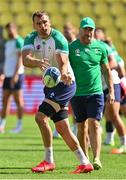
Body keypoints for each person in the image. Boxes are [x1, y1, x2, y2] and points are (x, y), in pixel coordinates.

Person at [22, 11, 94, 174]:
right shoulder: (30, 38)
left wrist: (64, 72)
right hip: (51, 86)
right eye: (39, 24)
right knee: (62, 128)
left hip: (65, 83)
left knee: (40, 118)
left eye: (45, 22)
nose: (43, 26)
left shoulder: (59, 38)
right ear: (34, 25)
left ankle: (48, 161)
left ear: (50, 22)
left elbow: (62, 61)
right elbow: (25, 60)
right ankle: (85, 162)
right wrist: (37, 61)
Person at [69, 17, 115, 170]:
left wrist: (112, 92)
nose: (88, 32)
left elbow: (106, 70)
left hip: (96, 92)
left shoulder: (101, 47)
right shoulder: (71, 47)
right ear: (80, 30)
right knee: (81, 126)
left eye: (91, 29)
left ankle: (97, 158)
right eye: (86, 29)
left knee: (94, 124)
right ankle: (85, 159)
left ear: (94, 31)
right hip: (77, 93)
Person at [95, 28, 126, 154]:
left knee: (113, 114)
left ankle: (124, 143)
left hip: (113, 83)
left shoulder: (104, 46)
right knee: (97, 117)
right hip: (98, 86)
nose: (93, 34)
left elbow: (114, 62)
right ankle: (101, 140)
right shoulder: (85, 47)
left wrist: (99, 66)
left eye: (97, 32)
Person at [53, 22, 78, 138]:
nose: (65, 32)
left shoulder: (77, 44)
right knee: (63, 103)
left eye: (68, 29)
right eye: (64, 30)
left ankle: (76, 126)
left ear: (73, 30)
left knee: (75, 104)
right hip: (65, 77)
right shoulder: (64, 44)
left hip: (76, 78)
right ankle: (60, 127)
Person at [0, 22, 24, 134]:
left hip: (16, 75)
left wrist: (15, 75)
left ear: (14, 29)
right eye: (7, 30)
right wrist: (4, 73)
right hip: (7, 75)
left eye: (10, 29)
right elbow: (7, 60)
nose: (9, 31)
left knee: (18, 100)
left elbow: (20, 59)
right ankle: (2, 124)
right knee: (5, 100)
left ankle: (19, 125)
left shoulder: (19, 41)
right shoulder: (8, 42)